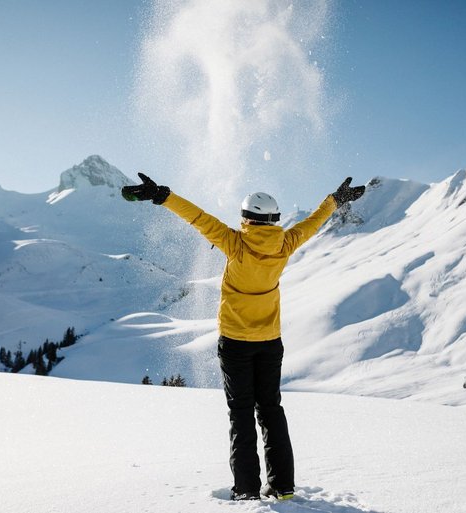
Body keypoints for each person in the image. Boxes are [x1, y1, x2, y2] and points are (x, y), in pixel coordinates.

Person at [121, 174, 365, 501]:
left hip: (235, 345)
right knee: (271, 411)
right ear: (274, 219)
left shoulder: (235, 244)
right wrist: (335, 199)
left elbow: (198, 218)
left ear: (247, 218)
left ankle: (247, 490)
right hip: (270, 344)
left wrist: (163, 194)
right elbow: (313, 223)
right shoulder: (285, 244)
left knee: (241, 415)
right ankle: (283, 487)